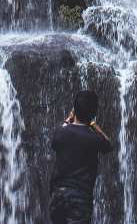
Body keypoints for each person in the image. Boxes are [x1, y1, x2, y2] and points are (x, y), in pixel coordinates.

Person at [49, 89, 113, 224]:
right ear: (94, 114)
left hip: (57, 196)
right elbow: (108, 144)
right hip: (79, 199)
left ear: (74, 110)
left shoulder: (61, 133)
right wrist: (93, 124)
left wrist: (69, 118)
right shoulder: (94, 138)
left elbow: (58, 136)